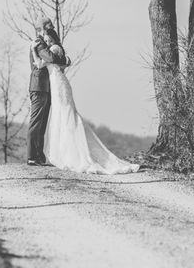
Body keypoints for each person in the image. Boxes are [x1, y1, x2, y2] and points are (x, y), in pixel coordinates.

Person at [31, 25, 139, 175]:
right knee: (59, 117)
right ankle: (64, 153)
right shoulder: (52, 49)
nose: (47, 42)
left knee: (67, 115)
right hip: (54, 85)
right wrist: (33, 50)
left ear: (54, 38)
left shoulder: (55, 49)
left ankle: (76, 155)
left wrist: (40, 50)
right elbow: (40, 64)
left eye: (49, 39)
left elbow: (50, 60)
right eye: (46, 40)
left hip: (59, 84)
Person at [27, 17, 67, 166]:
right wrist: (63, 58)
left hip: (47, 87)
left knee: (42, 123)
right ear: (42, 28)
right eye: (49, 25)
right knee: (36, 122)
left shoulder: (47, 42)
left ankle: (38, 155)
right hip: (38, 87)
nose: (52, 28)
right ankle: (31, 156)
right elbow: (50, 57)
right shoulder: (39, 43)